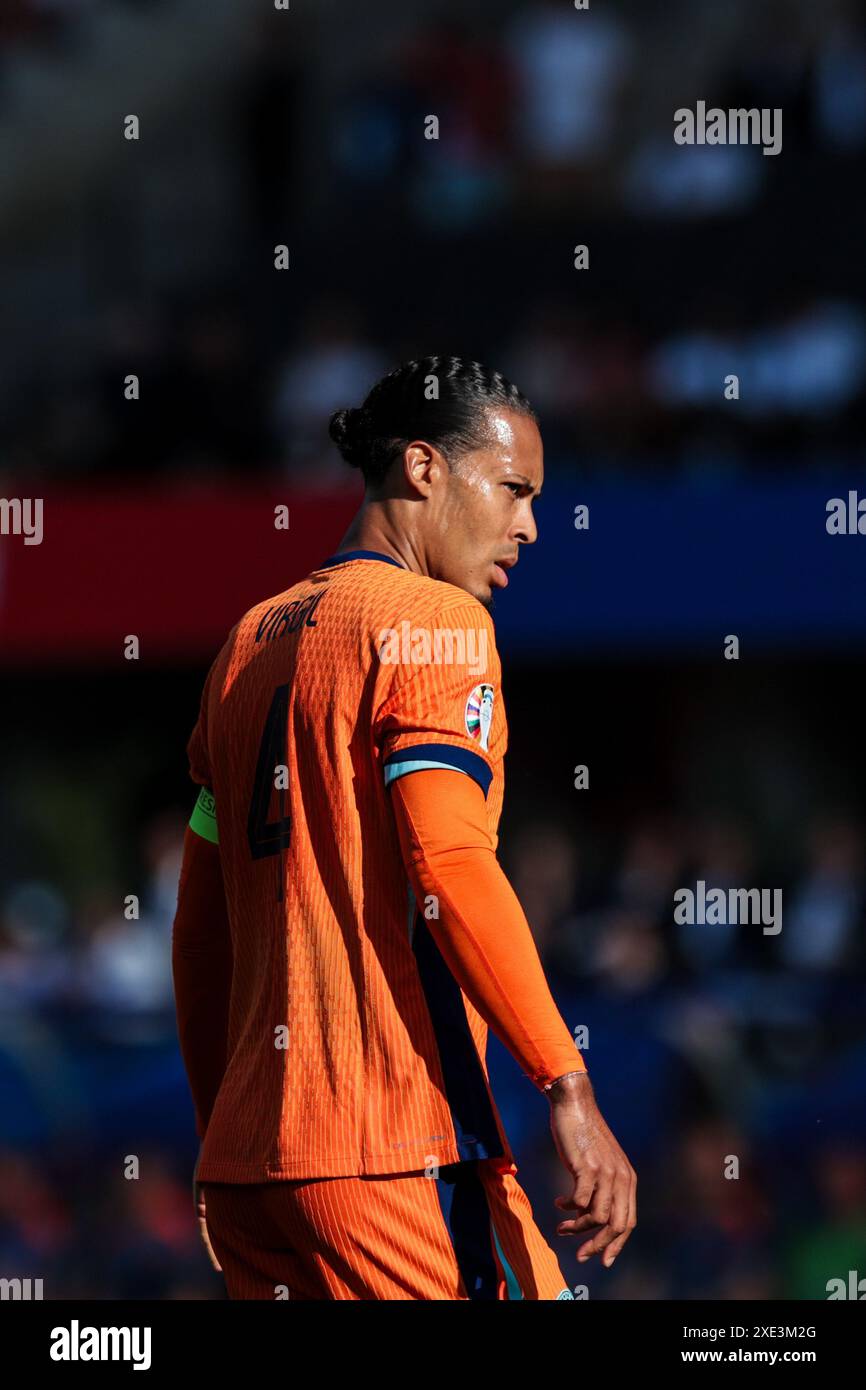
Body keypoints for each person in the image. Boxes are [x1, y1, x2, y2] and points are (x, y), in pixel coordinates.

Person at [171, 354, 636, 1299]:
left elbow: (200, 929)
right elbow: (450, 860)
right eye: (513, 490)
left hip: (254, 1171)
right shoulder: (437, 624)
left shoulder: (243, 646)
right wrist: (567, 1084)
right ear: (424, 469)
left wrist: (229, 1127)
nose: (530, 527)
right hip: (394, 1152)